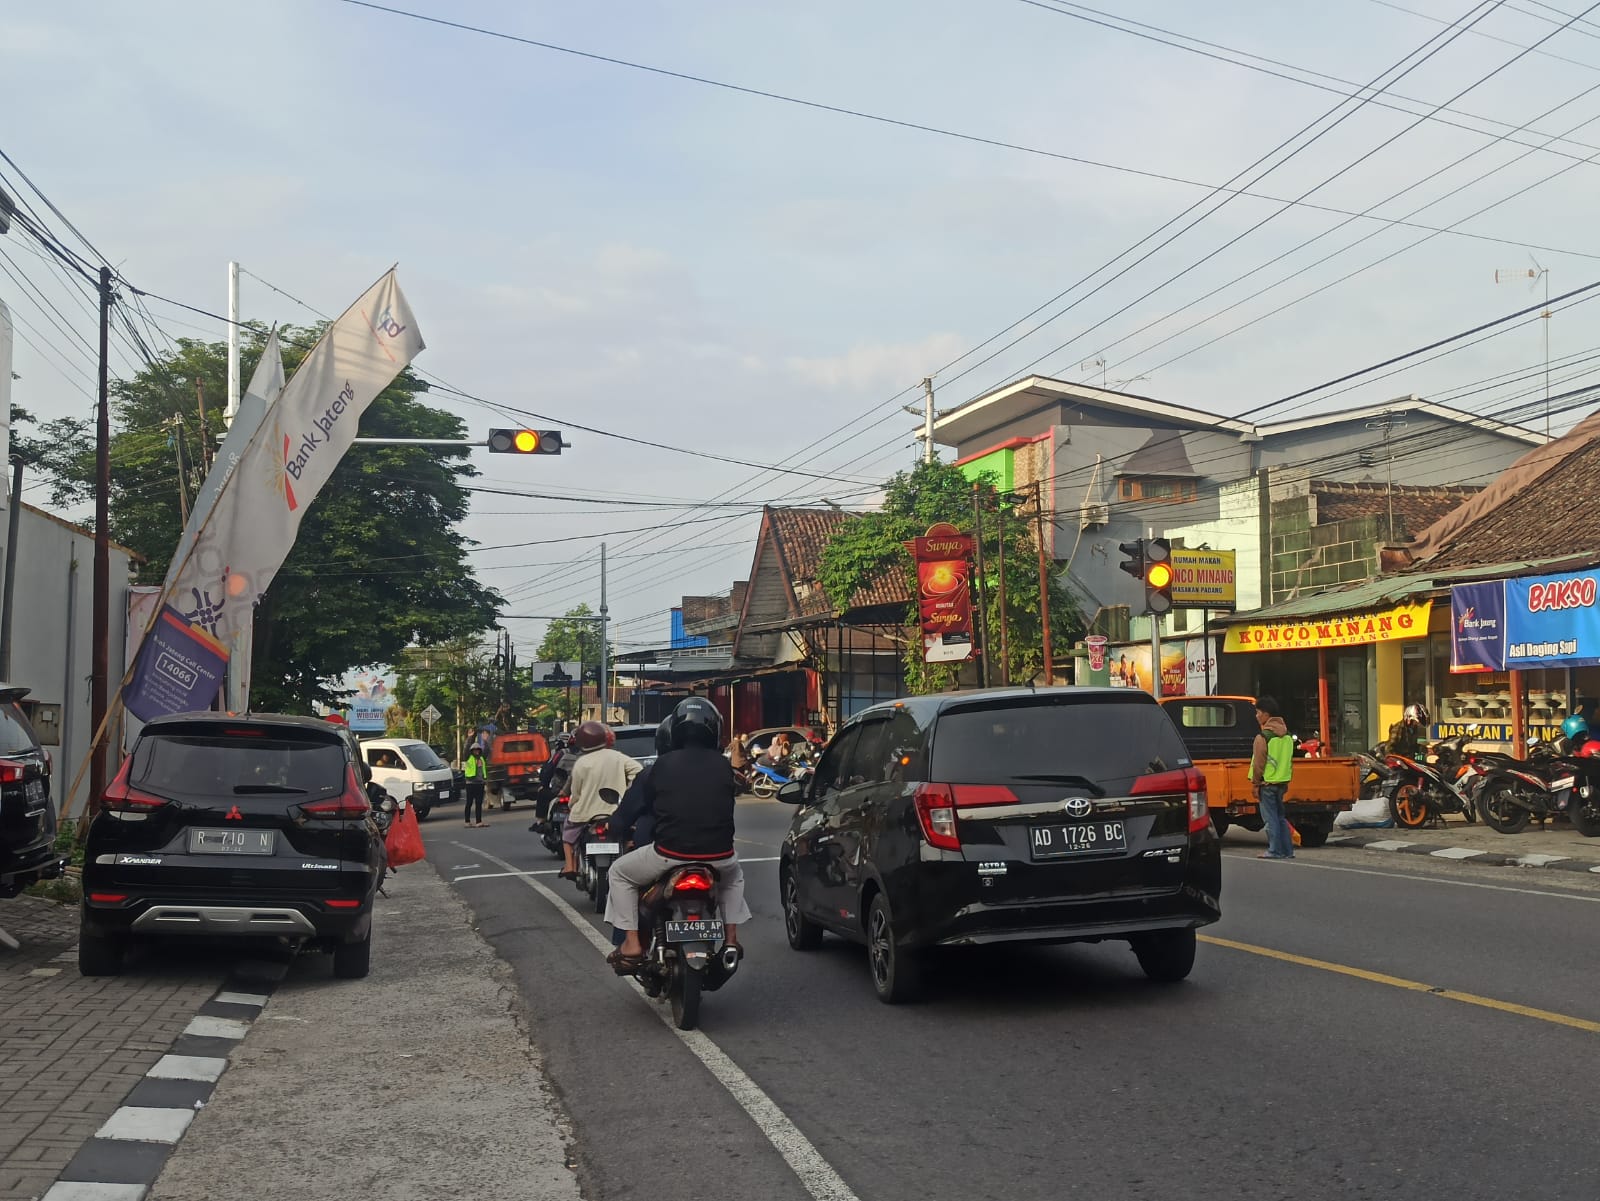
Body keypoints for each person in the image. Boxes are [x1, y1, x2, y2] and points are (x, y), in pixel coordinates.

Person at [604, 697, 752, 974]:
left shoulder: (658, 767)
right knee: (734, 879)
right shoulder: (724, 767)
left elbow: (635, 810)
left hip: (669, 854)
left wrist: (619, 831)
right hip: (720, 856)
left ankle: (632, 944)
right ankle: (731, 940)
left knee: (619, 874)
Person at [561, 721, 642, 880]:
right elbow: (639, 772)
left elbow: (576, 793)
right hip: (616, 811)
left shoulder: (581, 763)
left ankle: (569, 865)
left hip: (586, 814)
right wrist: (628, 789)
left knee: (568, 832)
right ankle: (628, 848)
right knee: (632, 831)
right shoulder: (618, 757)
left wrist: (572, 804)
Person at [1249, 696, 1296, 861]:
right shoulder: (1288, 736)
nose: (1256, 716)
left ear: (1266, 715)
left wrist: (1255, 784)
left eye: (1258, 712)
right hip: (1282, 782)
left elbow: (1258, 764)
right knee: (1280, 817)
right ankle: (1287, 850)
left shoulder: (1263, 737)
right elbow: (1288, 761)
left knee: (1270, 819)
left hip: (1266, 783)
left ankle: (1274, 850)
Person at [463, 744, 487, 828]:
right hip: (470, 783)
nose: (476, 751)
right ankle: (467, 821)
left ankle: (478, 821)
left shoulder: (481, 758)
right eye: (474, 750)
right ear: (472, 751)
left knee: (479, 803)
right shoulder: (469, 758)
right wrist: (470, 738)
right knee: (469, 803)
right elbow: (465, 750)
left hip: (480, 783)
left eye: (478, 750)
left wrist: (485, 741)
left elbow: (487, 750)